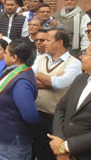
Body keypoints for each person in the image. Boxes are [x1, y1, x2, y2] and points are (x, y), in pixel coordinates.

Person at [0, 39, 39, 160]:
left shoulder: (22, 82)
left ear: (14, 57)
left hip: (9, 141)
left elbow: (30, 116)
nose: (3, 56)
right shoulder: (12, 71)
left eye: (5, 53)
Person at [32, 28, 82, 160]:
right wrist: (51, 80)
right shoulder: (41, 58)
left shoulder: (74, 63)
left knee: (55, 152)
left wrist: (39, 75)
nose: (44, 43)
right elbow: (29, 79)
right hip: (37, 112)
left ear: (59, 42)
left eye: (47, 40)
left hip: (57, 117)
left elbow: (60, 84)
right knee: (38, 148)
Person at [47, 45, 91, 160]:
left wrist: (66, 146)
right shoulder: (81, 79)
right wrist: (60, 147)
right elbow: (61, 108)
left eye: (85, 54)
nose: (81, 57)